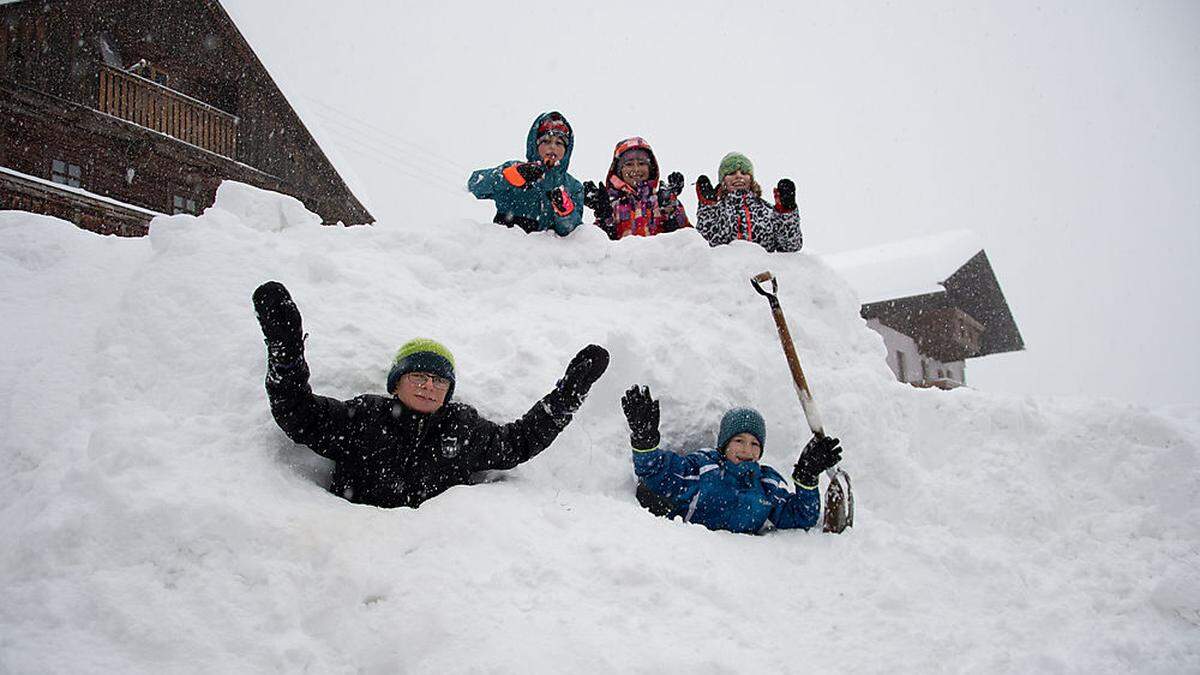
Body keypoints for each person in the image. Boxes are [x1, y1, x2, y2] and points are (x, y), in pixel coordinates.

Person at [252, 280, 610, 508]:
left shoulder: (462, 427)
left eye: (439, 381)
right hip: (352, 551)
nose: (429, 386)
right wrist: (286, 353)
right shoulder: (363, 417)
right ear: (395, 384)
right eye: (419, 376)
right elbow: (299, 416)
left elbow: (517, 443)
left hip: (434, 565)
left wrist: (568, 395)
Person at [621, 385, 842, 534]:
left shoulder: (766, 484)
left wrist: (807, 477)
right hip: (690, 558)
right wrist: (645, 440)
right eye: (739, 440)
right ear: (724, 445)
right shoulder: (703, 468)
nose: (747, 449)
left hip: (737, 575)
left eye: (755, 444)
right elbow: (655, 471)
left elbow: (802, 516)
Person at [467, 111, 585, 236]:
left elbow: (573, 233)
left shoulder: (573, 187)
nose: (552, 147)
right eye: (546, 141)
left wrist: (566, 213)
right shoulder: (515, 169)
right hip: (507, 249)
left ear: (567, 150)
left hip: (547, 253)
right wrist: (508, 177)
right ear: (534, 144)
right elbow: (475, 184)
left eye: (559, 143)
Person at [582, 136, 691, 239]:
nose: (636, 169)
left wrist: (671, 208)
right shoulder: (612, 205)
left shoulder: (661, 200)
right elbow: (598, 248)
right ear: (619, 171)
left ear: (650, 168)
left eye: (641, 163)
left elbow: (687, 241)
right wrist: (603, 215)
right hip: (624, 258)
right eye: (629, 164)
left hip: (660, 258)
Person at [694, 152, 802, 252]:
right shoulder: (716, 211)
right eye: (731, 173)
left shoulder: (768, 212)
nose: (738, 176)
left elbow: (791, 246)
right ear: (723, 181)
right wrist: (707, 209)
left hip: (762, 270)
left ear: (751, 179)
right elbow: (704, 246)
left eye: (744, 172)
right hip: (725, 271)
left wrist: (786, 212)